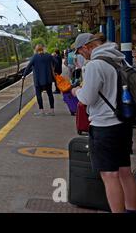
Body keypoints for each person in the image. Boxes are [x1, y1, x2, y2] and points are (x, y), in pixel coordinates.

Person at [71, 33, 136, 213]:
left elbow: (87, 99)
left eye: (80, 52)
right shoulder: (121, 60)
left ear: (87, 47)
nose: (82, 56)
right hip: (123, 123)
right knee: (124, 171)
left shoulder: (95, 65)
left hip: (104, 127)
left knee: (109, 175)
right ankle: (131, 209)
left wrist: (77, 91)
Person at [23, 44, 55, 116]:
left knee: (38, 95)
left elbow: (28, 67)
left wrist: (23, 75)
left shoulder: (35, 57)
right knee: (50, 94)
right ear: (43, 49)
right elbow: (55, 62)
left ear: (36, 50)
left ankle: (41, 111)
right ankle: (52, 110)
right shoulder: (48, 56)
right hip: (48, 79)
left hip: (38, 80)